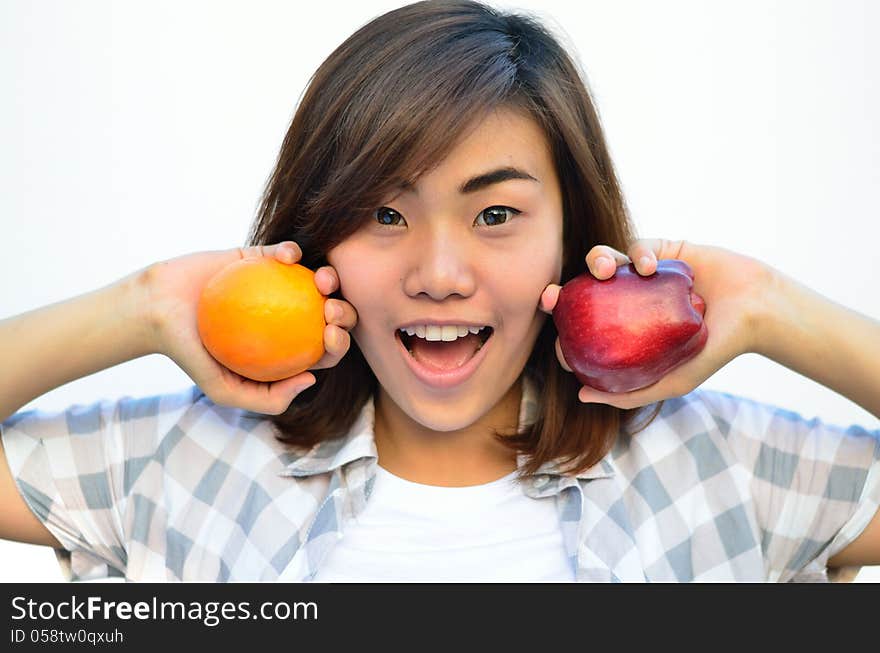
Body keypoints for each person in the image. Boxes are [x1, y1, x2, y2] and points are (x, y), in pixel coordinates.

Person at [1, 0, 878, 583]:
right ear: (320, 234)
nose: (440, 273)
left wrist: (769, 307)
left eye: (495, 212)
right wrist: (145, 304)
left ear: (570, 238)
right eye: (385, 212)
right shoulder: (184, 462)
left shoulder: (721, 469)